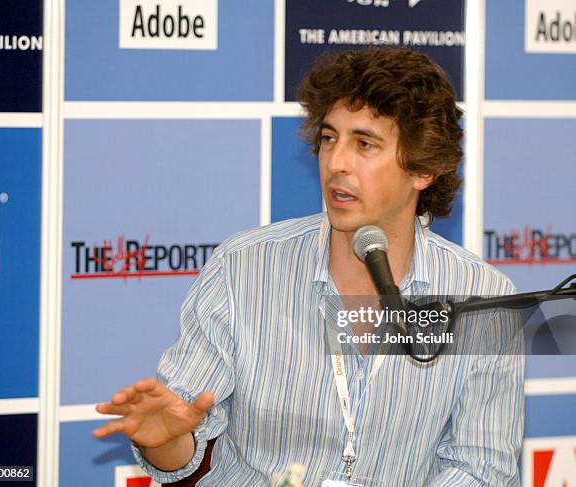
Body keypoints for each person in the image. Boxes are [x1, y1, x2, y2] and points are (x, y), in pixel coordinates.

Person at [93, 47, 524, 486]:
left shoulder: (481, 298)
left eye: (365, 144)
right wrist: (161, 441)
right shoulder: (244, 269)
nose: (336, 163)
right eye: (329, 138)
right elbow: (179, 442)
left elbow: (480, 468)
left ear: (424, 168)